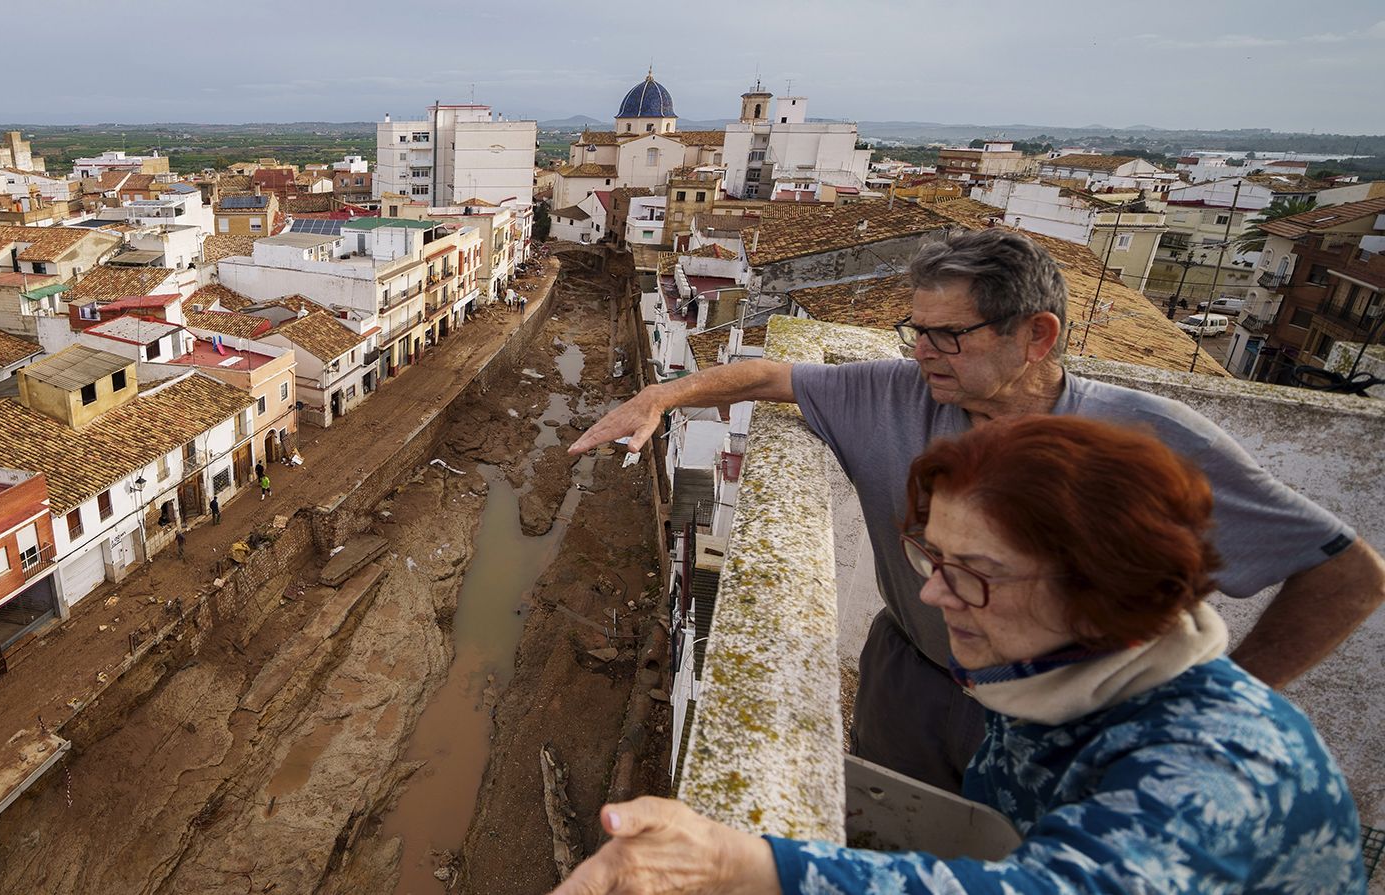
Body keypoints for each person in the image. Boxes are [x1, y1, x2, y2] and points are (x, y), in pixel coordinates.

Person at [569, 228, 1384, 792]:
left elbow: (1348, 573)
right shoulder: (894, 391)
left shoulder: (1146, 439)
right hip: (912, 685)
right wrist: (661, 396)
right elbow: (769, 377)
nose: (921, 351)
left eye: (949, 335)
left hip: (1078, 720)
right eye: (914, 329)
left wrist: (1229, 699)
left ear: (1037, 335)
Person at [552, 416, 1365, 895]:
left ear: (1104, 588)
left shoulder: (1226, 766)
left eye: (974, 574)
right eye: (931, 557)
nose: (936, 598)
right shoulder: (1049, 675)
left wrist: (740, 861)